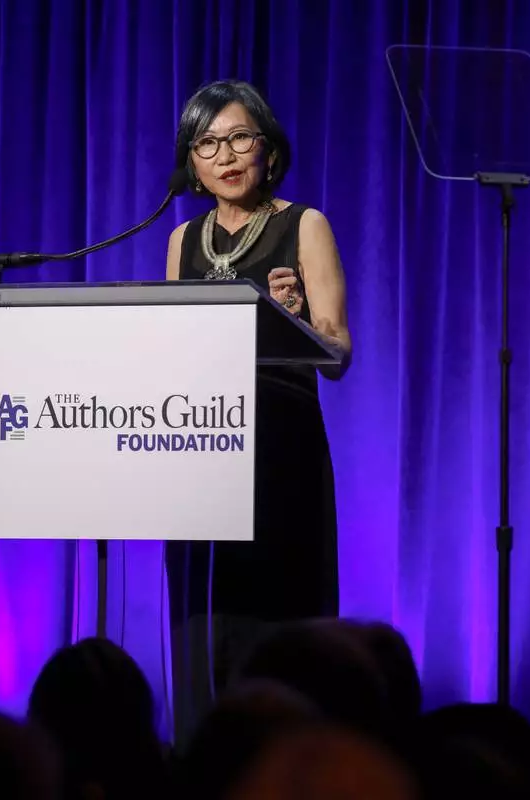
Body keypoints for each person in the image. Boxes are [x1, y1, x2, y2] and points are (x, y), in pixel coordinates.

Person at [163, 79, 352, 747]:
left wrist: (296, 318)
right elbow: (173, 348)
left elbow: (336, 355)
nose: (226, 153)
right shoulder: (184, 240)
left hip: (281, 457)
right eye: (208, 142)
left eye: (240, 137)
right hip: (200, 455)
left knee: (281, 632)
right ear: (192, 161)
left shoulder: (305, 225)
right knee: (202, 634)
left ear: (268, 150)